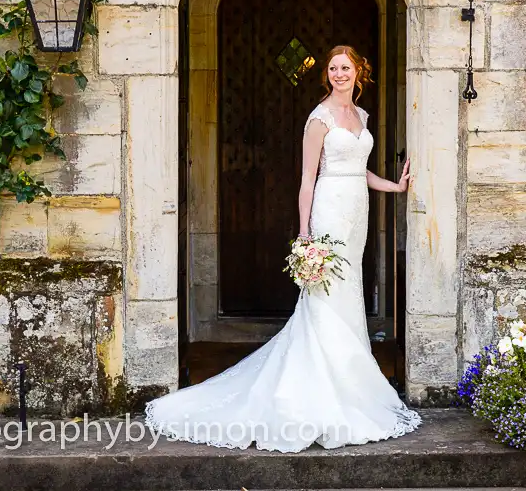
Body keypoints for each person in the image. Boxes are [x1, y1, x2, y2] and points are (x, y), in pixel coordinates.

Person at [144, 45, 420, 452]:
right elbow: (309, 178)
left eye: (345, 68)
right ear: (326, 74)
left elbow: (359, 171)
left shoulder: (361, 117)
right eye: (332, 69)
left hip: (356, 213)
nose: (339, 74)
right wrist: (306, 233)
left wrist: (394, 187)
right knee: (324, 296)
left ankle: (350, 383)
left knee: (349, 293)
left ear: (358, 72)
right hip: (327, 212)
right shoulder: (319, 118)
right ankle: (320, 391)